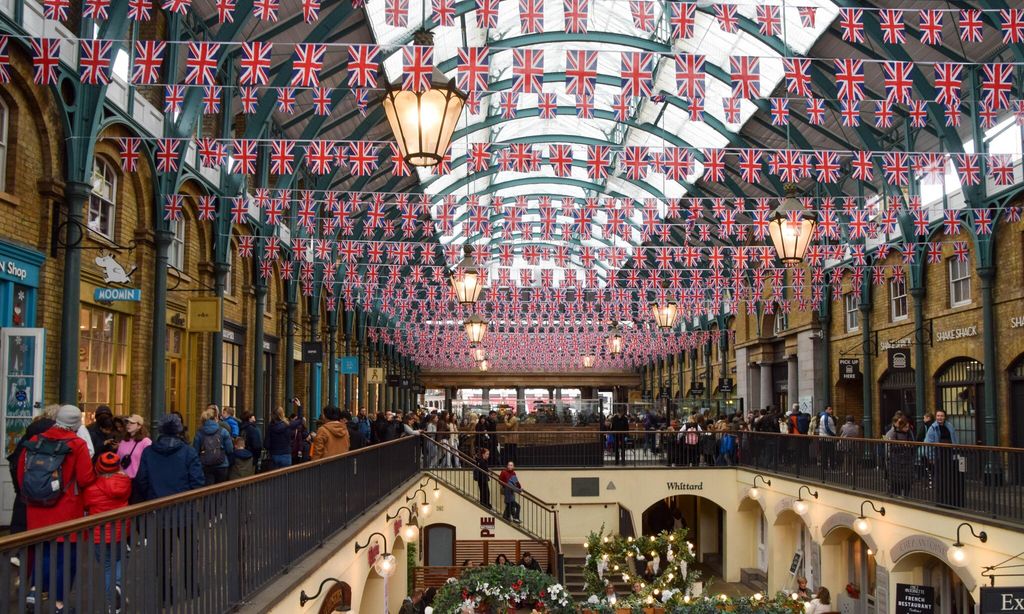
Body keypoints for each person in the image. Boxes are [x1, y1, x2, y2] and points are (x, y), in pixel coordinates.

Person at [17, 405, 96, 611]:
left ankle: (34, 590)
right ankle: (58, 602)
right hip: (66, 508)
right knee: (65, 557)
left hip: (36, 508)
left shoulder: (35, 441)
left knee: (42, 550)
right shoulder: (77, 444)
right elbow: (85, 478)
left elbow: (21, 474)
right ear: (76, 424)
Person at [83, 451, 132, 604]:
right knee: (120, 558)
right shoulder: (125, 482)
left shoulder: (91, 488)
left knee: (106, 565)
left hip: (99, 533)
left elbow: (85, 505)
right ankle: (116, 587)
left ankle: (112, 598)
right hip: (120, 530)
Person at [6, 405, 58, 536]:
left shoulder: (29, 434)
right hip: (45, 496)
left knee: (21, 530)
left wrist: (18, 488)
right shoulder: (52, 437)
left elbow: (15, 462)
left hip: (24, 491)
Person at [135, 414, 205, 500]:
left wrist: (150, 495)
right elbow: (197, 481)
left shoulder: (148, 452)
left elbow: (141, 481)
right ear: (179, 430)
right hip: (182, 504)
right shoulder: (189, 452)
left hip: (154, 504)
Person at [924, 409, 963, 507]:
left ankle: (950, 500)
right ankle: (941, 501)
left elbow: (954, 439)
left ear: (945, 417)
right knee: (940, 479)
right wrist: (931, 457)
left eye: (941, 416)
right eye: (938, 416)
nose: (940, 418)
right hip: (939, 455)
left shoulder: (949, 426)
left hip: (949, 454)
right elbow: (928, 443)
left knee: (949, 478)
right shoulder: (933, 428)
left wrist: (956, 451)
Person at [192, 406, 234, 485]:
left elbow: (195, 451)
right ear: (216, 418)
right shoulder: (223, 431)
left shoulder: (199, 433)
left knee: (208, 490)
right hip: (222, 465)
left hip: (206, 465)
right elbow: (230, 450)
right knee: (221, 490)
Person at [884, 416, 915, 497]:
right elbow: (890, 447)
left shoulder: (909, 433)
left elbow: (913, 443)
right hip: (896, 462)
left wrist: (909, 446)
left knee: (907, 482)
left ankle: (905, 497)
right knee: (896, 483)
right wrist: (903, 445)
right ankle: (896, 496)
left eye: (908, 427)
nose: (907, 428)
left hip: (907, 461)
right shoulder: (893, 433)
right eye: (905, 427)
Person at [116, 413, 151, 479]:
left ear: (139, 426)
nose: (128, 425)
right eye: (127, 422)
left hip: (137, 480)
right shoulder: (123, 441)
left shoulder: (146, 442)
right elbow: (118, 459)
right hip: (122, 479)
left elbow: (149, 463)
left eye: (132, 423)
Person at [230, 410, 262, 479]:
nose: (255, 418)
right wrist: (256, 457)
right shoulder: (253, 429)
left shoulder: (241, 428)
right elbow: (257, 446)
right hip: (251, 457)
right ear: (249, 418)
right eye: (253, 417)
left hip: (239, 457)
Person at [818, 406, 838, 470]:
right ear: (826, 410)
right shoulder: (825, 417)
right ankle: (828, 467)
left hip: (826, 437)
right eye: (829, 409)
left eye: (831, 409)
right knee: (828, 453)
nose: (831, 411)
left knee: (826, 453)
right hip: (827, 438)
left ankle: (826, 467)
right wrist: (833, 435)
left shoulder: (828, 417)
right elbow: (826, 428)